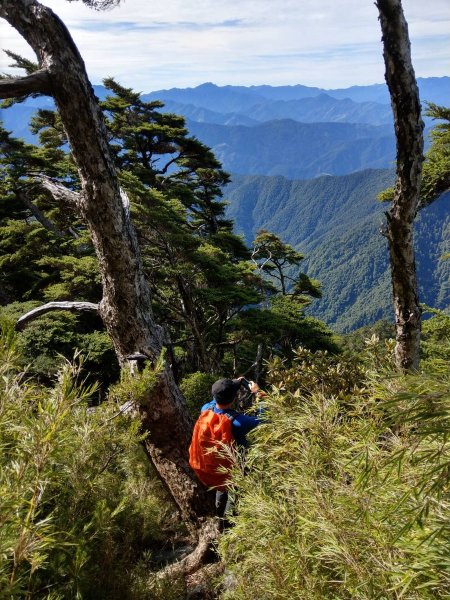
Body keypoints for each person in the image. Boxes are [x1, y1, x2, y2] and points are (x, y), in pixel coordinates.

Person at [189, 377, 266, 525]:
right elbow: (263, 420)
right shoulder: (237, 422)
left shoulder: (206, 409)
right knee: (235, 495)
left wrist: (231, 385)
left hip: (218, 468)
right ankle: (229, 526)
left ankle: (218, 515)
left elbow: (216, 400)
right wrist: (259, 394)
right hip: (236, 467)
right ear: (233, 398)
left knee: (222, 488)